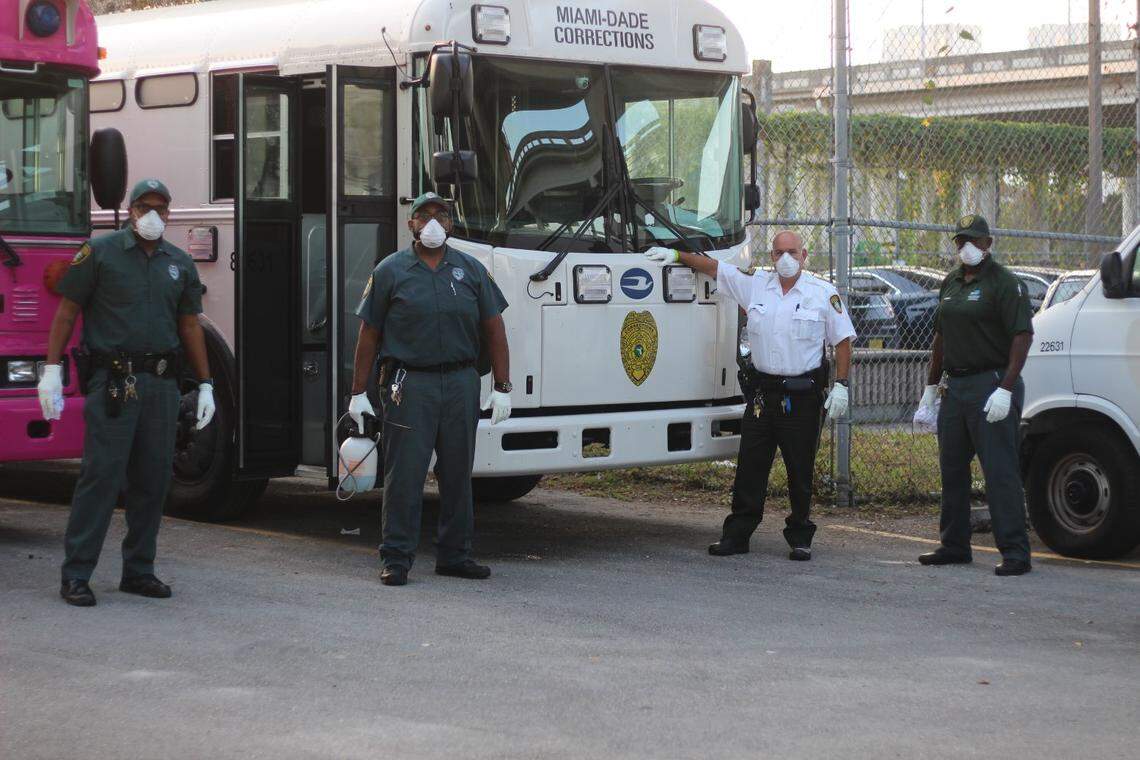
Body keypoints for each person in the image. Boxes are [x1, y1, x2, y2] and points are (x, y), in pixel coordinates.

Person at [39, 179, 215, 607]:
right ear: (132, 210)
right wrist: (49, 369)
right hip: (115, 382)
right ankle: (77, 574)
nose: (153, 214)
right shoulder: (100, 253)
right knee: (101, 479)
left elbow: (190, 324)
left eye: (161, 207)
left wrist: (206, 382)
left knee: (153, 480)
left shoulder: (179, 263)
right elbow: (67, 311)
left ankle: (139, 570)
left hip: (161, 383)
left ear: (170, 213)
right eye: (145, 206)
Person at [645, 231, 855, 560]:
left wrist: (841, 384)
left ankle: (800, 535)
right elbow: (715, 268)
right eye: (778, 252)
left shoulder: (822, 294)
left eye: (792, 252)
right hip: (762, 396)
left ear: (804, 254)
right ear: (771, 256)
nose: (785, 258)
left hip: (801, 397)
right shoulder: (756, 284)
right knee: (750, 468)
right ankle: (737, 535)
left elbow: (843, 341)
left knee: (800, 470)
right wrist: (676, 257)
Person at [348, 192, 511, 587]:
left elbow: (494, 328)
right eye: (424, 215)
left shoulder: (471, 270)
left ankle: (455, 555)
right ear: (411, 224)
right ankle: (397, 558)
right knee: (405, 474)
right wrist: (358, 392)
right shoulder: (390, 271)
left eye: (441, 215)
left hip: (460, 382)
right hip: (410, 384)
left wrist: (503, 386)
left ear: (452, 224)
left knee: (457, 472)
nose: (433, 222)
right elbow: (369, 334)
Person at [914, 214, 1033, 576]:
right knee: (952, 469)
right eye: (961, 240)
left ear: (988, 244)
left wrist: (1006, 387)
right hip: (956, 386)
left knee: (999, 470)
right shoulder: (950, 283)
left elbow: (1022, 336)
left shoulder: (1005, 284)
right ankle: (954, 544)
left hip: (991, 382)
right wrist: (931, 388)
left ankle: (1015, 551)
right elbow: (940, 337)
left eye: (974, 241)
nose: (966, 247)